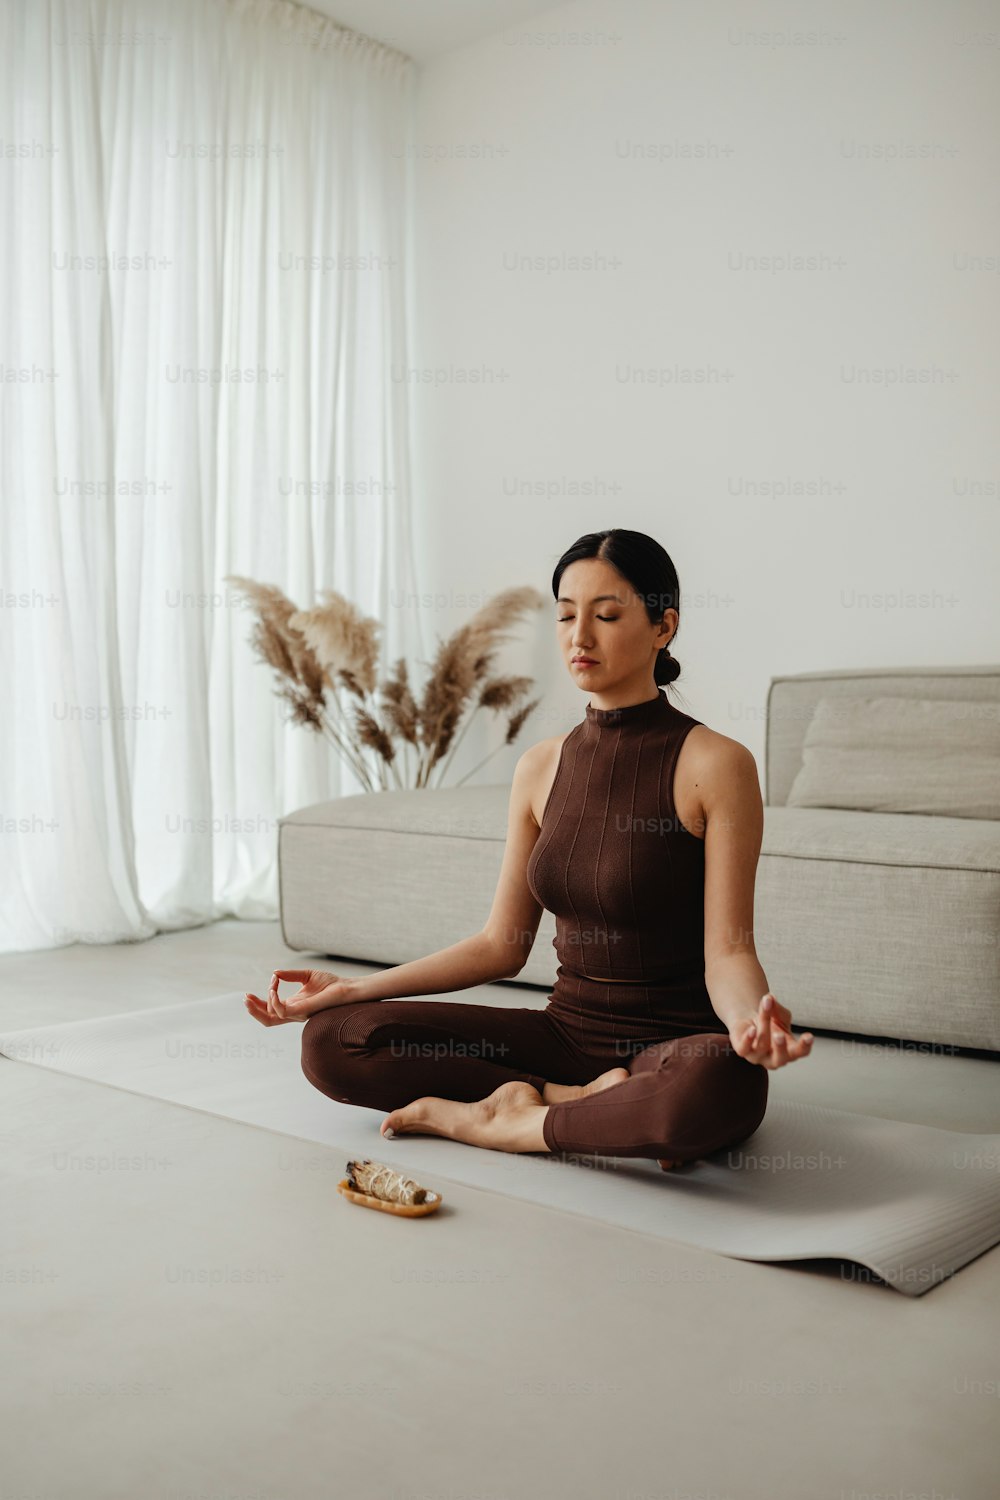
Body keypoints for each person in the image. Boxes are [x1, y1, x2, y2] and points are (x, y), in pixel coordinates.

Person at [245, 527, 814, 1170]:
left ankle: (497, 1123)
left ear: (663, 627)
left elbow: (730, 950)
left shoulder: (716, 763)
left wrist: (746, 1026)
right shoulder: (541, 767)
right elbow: (500, 945)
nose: (580, 636)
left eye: (606, 615)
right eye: (567, 616)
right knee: (336, 1041)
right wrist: (351, 990)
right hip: (562, 1035)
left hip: (676, 1045)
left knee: (719, 1085)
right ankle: (573, 1102)